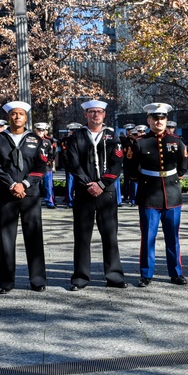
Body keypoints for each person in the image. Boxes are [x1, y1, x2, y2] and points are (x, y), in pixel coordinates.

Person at [0, 101, 50, 293]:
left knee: (34, 237)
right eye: (13, 114)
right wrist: (13, 184)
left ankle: (37, 280)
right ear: (8, 117)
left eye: (21, 114)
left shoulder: (35, 139)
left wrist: (26, 183)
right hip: (8, 193)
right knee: (6, 238)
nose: (17, 117)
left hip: (30, 194)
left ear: (26, 117)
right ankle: (6, 282)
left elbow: (41, 167)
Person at [64, 100, 126, 290]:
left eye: (99, 112)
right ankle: (81, 278)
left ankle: (114, 276)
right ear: (86, 114)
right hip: (84, 193)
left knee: (110, 236)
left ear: (104, 115)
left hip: (106, 193)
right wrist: (88, 184)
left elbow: (117, 164)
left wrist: (101, 184)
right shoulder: (76, 137)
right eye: (92, 112)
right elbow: (73, 164)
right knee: (82, 237)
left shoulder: (112, 136)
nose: (96, 115)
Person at [125, 103, 188, 287]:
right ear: (148, 120)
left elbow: (183, 165)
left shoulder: (176, 141)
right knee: (148, 237)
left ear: (166, 120)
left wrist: (173, 179)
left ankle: (176, 272)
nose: (158, 121)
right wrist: (142, 180)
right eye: (155, 118)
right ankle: (146, 274)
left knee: (173, 237)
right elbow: (131, 168)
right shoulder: (139, 142)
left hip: (172, 194)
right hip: (148, 194)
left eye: (162, 118)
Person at [34, 122, 58, 209]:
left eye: (42, 130)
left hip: (46, 167)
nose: (40, 132)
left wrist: (49, 161)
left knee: (48, 186)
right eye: (39, 130)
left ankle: (50, 202)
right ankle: (34, 203)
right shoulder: (32, 140)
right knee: (34, 186)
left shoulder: (49, 141)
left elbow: (53, 153)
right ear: (35, 130)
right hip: (35, 168)